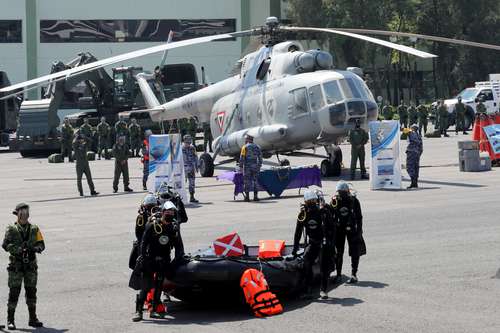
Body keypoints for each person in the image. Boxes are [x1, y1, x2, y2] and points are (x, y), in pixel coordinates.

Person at [132, 201, 184, 322]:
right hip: (150, 260)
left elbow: (178, 245)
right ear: (162, 212)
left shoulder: (173, 227)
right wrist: (143, 258)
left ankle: (154, 310)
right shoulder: (153, 225)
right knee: (145, 286)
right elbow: (143, 243)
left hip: (164, 261)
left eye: (172, 212)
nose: (170, 214)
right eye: (168, 212)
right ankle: (138, 311)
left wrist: (178, 258)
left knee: (159, 286)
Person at [2, 203, 45, 329]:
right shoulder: (11, 229)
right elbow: (5, 245)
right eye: (22, 213)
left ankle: (33, 318)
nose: (24, 216)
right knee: (14, 293)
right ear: (17, 214)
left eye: (26, 213)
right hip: (16, 266)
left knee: (31, 292)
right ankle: (10, 320)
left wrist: (35, 248)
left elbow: (42, 244)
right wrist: (18, 249)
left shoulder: (34, 229)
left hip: (30, 266)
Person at [292, 190, 335, 299]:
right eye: (309, 201)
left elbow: (332, 227)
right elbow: (298, 232)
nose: (311, 202)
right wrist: (295, 248)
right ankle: (308, 290)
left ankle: (323, 290)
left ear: (316, 200)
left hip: (323, 243)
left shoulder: (323, 212)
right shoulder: (303, 214)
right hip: (312, 242)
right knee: (306, 262)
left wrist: (330, 242)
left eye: (313, 200)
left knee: (323, 266)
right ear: (305, 202)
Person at [331, 181, 366, 284]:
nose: (340, 194)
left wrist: (359, 230)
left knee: (352, 252)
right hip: (343, 230)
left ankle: (351, 275)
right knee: (340, 253)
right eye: (340, 192)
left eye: (341, 192)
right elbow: (330, 216)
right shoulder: (336, 201)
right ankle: (343, 275)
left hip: (349, 229)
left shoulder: (353, 201)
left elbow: (359, 217)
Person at [73, 132, 99, 196]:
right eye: (81, 139)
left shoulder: (84, 145)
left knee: (89, 178)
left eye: (82, 139)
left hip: (86, 164)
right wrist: (77, 137)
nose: (82, 140)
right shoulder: (76, 146)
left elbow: (90, 141)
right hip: (79, 164)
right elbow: (73, 143)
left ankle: (92, 191)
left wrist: (85, 136)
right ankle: (81, 192)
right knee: (79, 179)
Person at [239, 134, 263, 202]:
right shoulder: (257, 147)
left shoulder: (245, 147)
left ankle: (247, 197)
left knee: (247, 181)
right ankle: (255, 197)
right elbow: (260, 157)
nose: (245, 140)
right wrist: (259, 165)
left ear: (248, 139)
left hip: (247, 166)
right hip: (255, 165)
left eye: (246, 139)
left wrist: (240, 166)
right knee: (255, 181)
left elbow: (242, 157)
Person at [182, 134, 199, 203]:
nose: (189, 143)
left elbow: (195, 157)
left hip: (191, 168)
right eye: (187, 141)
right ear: (184, 141)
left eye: (189, 141)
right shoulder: (181, 148)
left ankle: (192, 197)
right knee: (182, 184)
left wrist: (197, 166)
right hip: (184, 169)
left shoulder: (192, 148)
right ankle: (181, 198)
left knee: (192, 183)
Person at [406, 124, 423, 189]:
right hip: (417, 153)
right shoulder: (419, 136)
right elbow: (421, 148)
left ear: (412, 128)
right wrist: (418, 154)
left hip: (411, 152)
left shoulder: (411, 132)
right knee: (416, 168)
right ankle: (415, 183)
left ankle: (413, 182)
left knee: (409, 167)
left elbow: (404, 130)